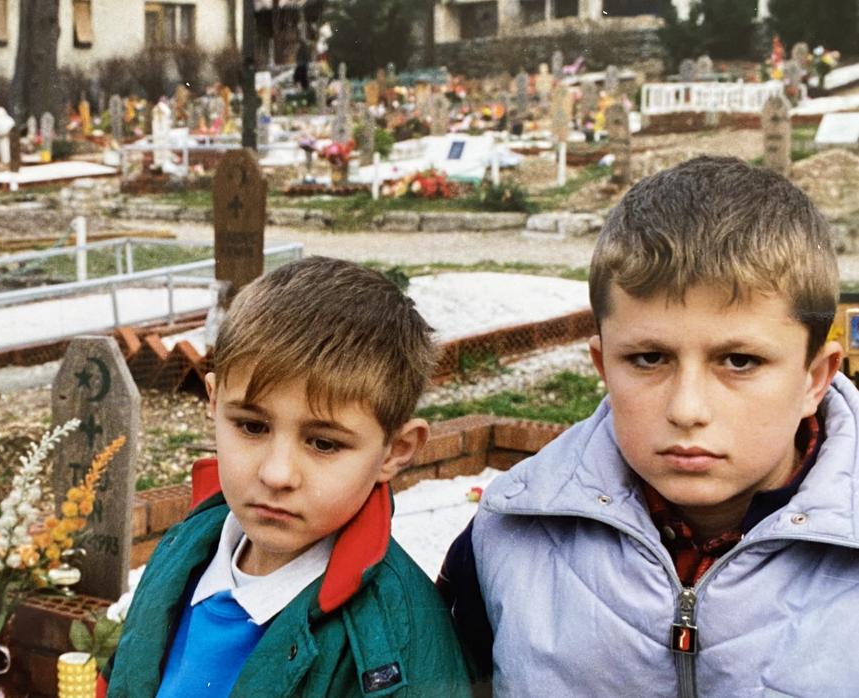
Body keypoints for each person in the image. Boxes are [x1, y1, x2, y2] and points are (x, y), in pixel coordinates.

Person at [439, 156, 859, 696]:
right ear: (603, 366)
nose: (687, 409)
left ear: (814, 379)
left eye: (739, 362)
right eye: (648, 359)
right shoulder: (507, 537)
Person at [101, 257, 472, 696]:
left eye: (324, 443)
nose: (276, 474)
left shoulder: (395, 645)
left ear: (396, 450)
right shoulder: (185, 548)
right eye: (252, 427)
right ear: (215, 402)